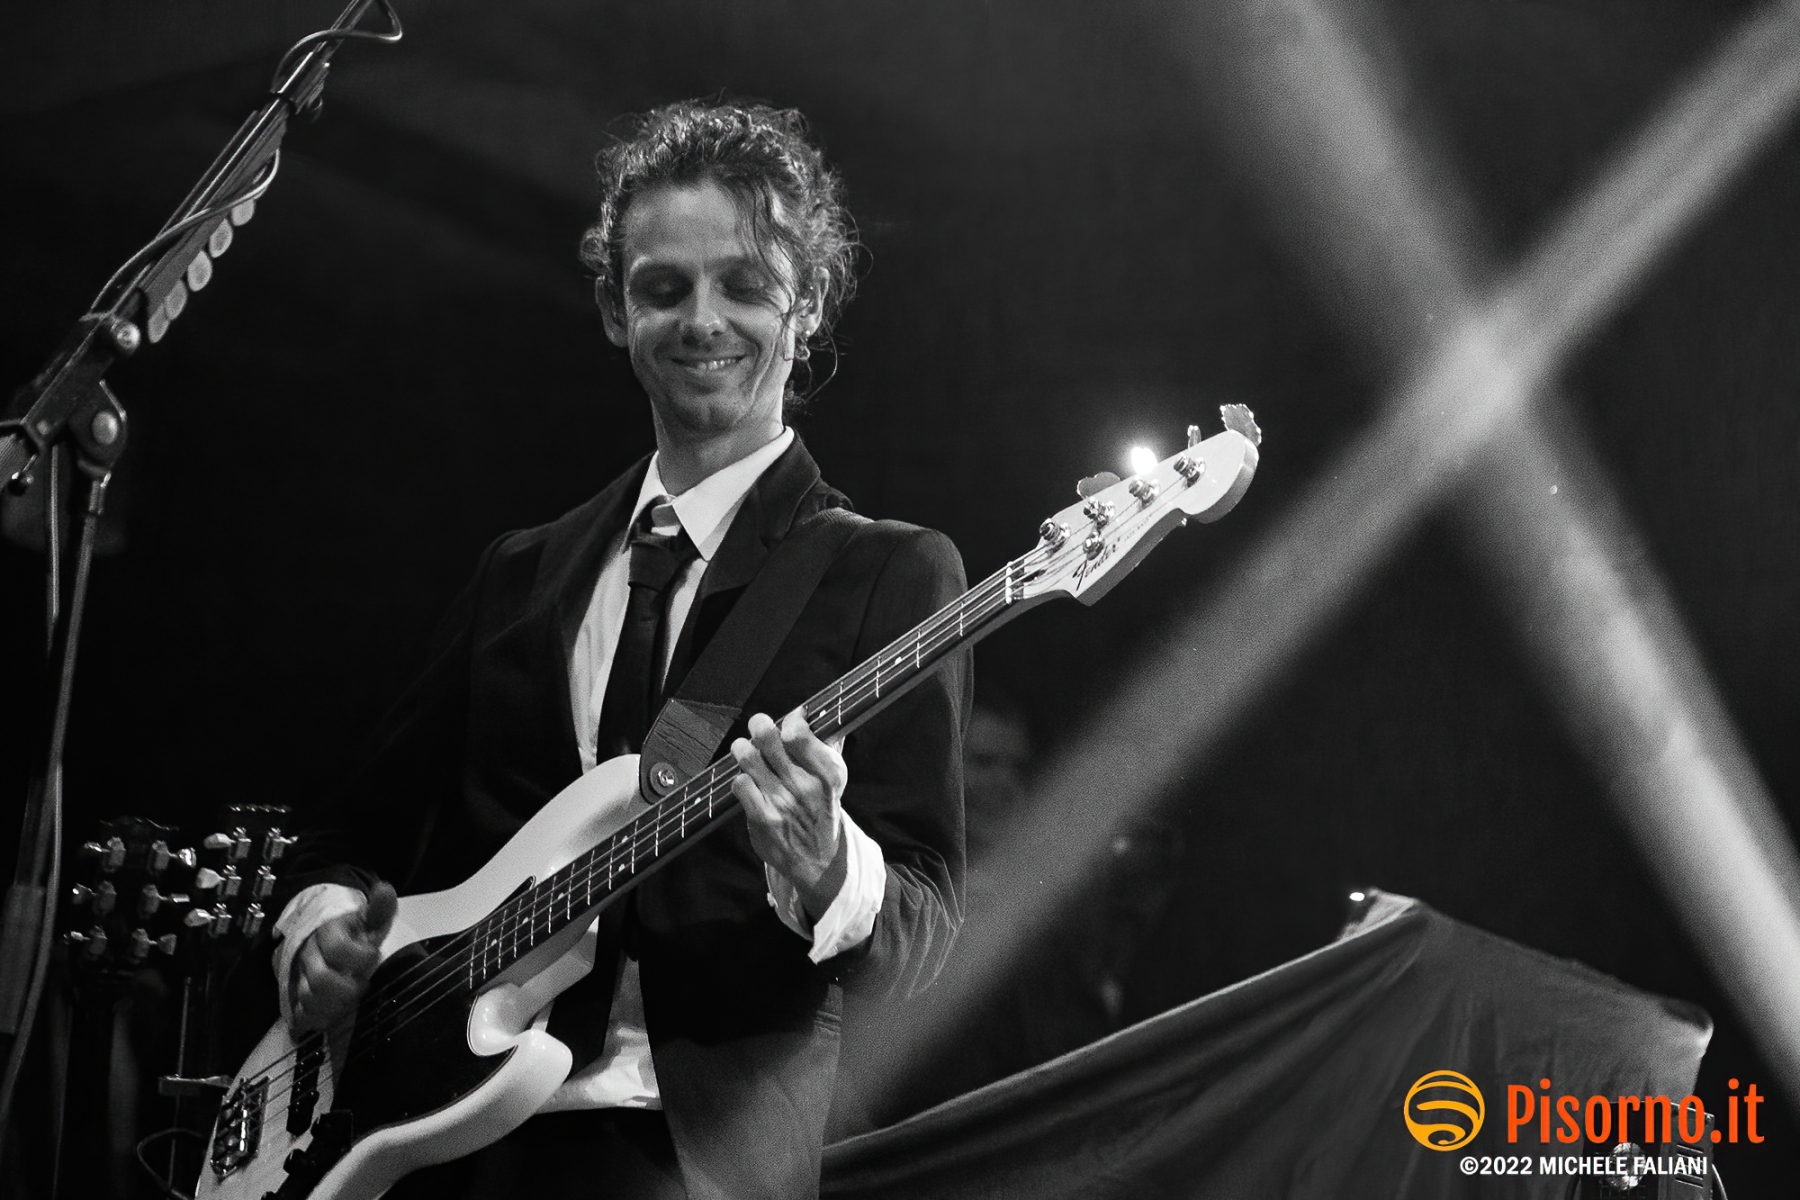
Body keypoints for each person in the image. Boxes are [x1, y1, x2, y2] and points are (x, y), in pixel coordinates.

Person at [271, 100, 969, 1200]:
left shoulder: (887, 572)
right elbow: (350, 836)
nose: (703, 320)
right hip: (449, 1152)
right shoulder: (522, 572)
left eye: (745, 284)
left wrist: (830, 866)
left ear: (809, 305)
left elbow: (929, 932)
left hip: (687, 1155)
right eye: (664, 288)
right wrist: (314, 930)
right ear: (614, 308)